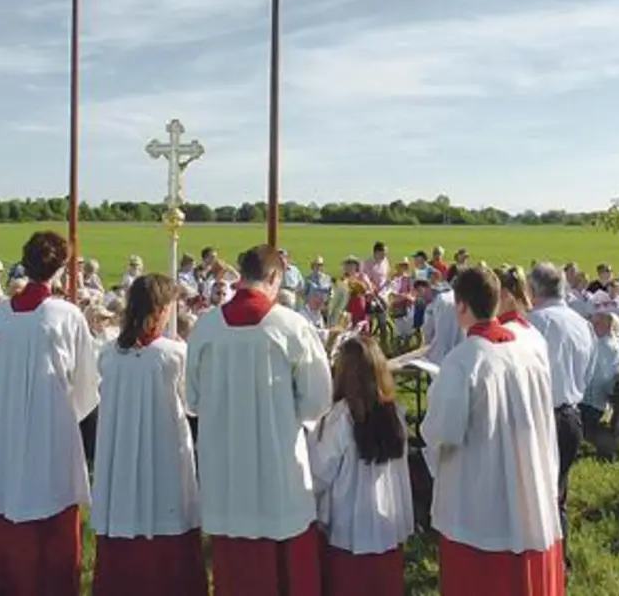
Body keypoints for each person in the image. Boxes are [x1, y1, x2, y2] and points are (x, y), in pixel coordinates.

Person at [187, 244, 332, 596]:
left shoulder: (206, 328)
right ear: (273, 277)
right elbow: (317, 400)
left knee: (235, 571)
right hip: (277, 462)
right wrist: (282, 414)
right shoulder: (291, 325)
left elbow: (192, 399)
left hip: (225, 468)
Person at [423, 267, 564, 596]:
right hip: (529, 483)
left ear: (461, 306)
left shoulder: (463, 360)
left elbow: (443, 432)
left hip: (480, 499)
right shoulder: (528, 349)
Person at [0, 231, 99, 596]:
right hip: (52, 422)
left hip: (6, 420)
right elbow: (86, 383)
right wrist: (65, 416)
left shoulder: (1, 313)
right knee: (53, 503)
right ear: (62, 267)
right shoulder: (67, 314)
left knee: (13, 498)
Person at [89, 274, 208, 596]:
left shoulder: (110, 354)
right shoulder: (174, 355)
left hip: (125, 451)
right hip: (163, 449)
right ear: (162, 309)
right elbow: (195, 404)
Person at [308, 337, 414, 596]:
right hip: (387, 527)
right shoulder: (394, 413)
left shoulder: (341, 418)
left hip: (349, 532)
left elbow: (319, 475)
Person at [526, 262, 595, 570]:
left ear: (534, 290)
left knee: (534, 495)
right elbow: (589, 372)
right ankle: (558, 561)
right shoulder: (582, 323)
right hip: (571, 415)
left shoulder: (533, 323)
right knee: (558, 494)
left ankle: (540, 564)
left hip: (540, 417)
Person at [580, 312, 619, 451]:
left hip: (593, 404)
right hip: (601, 401)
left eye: (596, 323)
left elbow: (597, 378)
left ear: (607, 326)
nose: (592, 326)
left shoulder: (605, 346)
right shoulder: (615, 345)